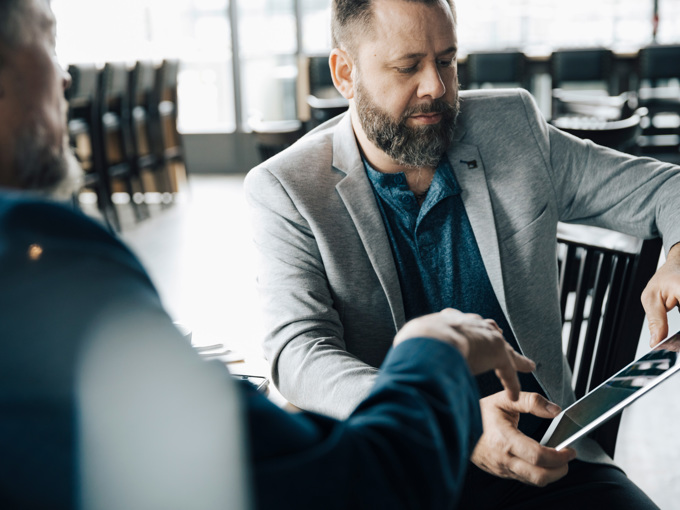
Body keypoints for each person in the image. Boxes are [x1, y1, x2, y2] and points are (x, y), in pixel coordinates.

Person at [0, 1, 535, 508]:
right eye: (48, 41)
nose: (65, 76)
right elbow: (353, 488)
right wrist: (431, 347)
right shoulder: (34, 262)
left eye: (447, 61)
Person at [244, 0, 680, 507]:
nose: (436, 87)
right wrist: (445, 417)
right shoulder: (286, 187)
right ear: (346, 73)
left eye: (447, 60)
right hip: (401, 463)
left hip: (542, 451)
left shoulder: (509, 126)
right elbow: (299, 351)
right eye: (408, 66)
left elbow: (665, 188)